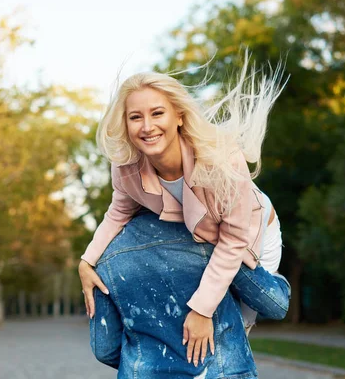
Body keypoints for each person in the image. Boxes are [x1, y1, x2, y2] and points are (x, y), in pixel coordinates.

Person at [79, 59, 290, 365]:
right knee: (210, 345)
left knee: (236, 330)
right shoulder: (125, 167)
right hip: (204, 239)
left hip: (252, 232)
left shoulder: (223, 158)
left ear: (178, 116)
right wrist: (87, 261)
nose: (147, 127)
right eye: (136, 117)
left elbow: (233, 241)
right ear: (125, 124)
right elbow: (118, 213)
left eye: (157, 113)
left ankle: (277, 286)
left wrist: (203, 309)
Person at [90, 211, 289, 378]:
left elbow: (104, 349)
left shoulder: (105, 254)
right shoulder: (210, 237)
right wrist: (276, 277)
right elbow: (274, 305)